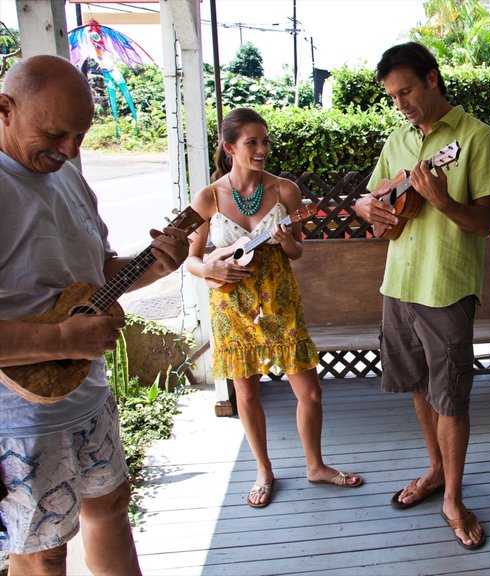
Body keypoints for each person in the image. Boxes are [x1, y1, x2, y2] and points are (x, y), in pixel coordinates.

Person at [0, 55, 191, 575]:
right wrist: (63, 337)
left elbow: (99, 271)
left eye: (80, 136)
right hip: (19, 417)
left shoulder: (67, 177)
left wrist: (154, 265)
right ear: (5, 109)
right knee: (43, 552)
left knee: (110, 508)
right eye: (56, 134)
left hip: (87, 394)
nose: (69, 150)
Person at [353, 42, 490, 551]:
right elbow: (372, 197)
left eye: (407, 91)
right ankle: (435, 469)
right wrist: (365, 209)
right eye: (393, 97)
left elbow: (486, 220)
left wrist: (440, 199)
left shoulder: (477, 138)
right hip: (398, 284)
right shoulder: (397, 140)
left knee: (453, 398)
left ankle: (454, 500)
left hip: (445, 288)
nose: (402, 104)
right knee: (419, 386)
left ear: (433, 78)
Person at [184, 107, 363, 509]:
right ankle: (264, 470)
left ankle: (315, 465)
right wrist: (210, 265)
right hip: (233, 306)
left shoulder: (285, 191)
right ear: (230, 148)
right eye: (252, 142)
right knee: (246, 394)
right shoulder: (209, 197)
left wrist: (284, 242)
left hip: (279, 302)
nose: (262, 149)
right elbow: (191, 259)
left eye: (265, 141)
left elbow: (298, 250)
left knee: (310, 393)